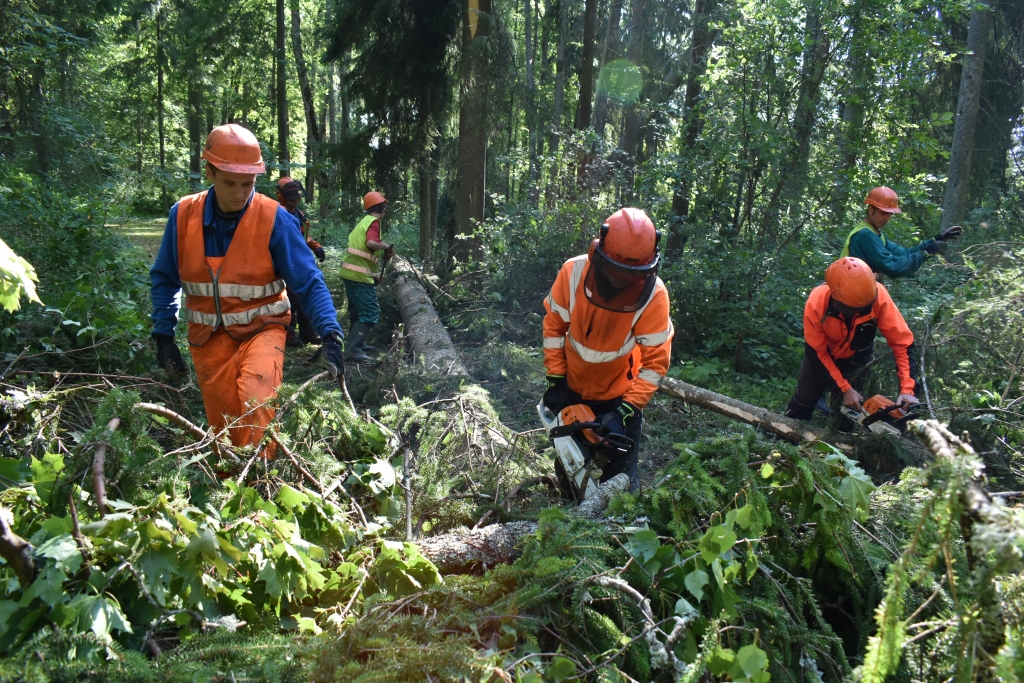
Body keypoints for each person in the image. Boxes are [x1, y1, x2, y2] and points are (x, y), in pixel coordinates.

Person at [150, 124, 345, 452]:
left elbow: (309, 280)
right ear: (210, 172)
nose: (240, 194)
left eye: (248, 183)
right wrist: (163, 336)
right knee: (225, 432)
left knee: (256, 404)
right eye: (230, 183)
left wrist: (330, 333)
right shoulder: (182, 216)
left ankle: (263, 478)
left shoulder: (275, 218)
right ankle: (233, 482)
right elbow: (165, 278)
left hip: (263, 330)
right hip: (208, 340)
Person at [541, 208, 673, 492]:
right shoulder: (573, 273)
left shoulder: (654, 295)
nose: (619, 280)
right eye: (615, 271)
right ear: (596, 252)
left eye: (629, 275)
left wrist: (626, 410)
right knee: (571, 474)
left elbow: (655, 364)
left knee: (621, 486)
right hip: (572, 389)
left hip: (619, 397)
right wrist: (555, 379)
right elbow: (554, 328)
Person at [785, 256, 919, 421]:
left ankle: (841, 433)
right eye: (853, 309)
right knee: (805, 397)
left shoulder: (879, 296)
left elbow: (902, 342)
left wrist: (908, 390)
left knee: (850, 409)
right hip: (823, 354)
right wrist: (844, 388)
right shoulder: (817, 302)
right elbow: (818, 353)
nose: (858, 312)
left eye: (863, 308)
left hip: (856, 353)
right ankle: (789, 428)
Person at [842, 186, 963, 280]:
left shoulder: (876, 235)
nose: (887, 218)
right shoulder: (865, 235)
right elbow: (894, 267)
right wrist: (926, 252)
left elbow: (905, 254)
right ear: (870, 209)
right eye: (883, 213)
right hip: (850, 295)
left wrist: (937, 239)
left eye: (890, 214)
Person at [339, 191, 394, 362]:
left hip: (351, 272)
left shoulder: (364, 222)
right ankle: (353, 350)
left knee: (357, 311)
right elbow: (371, 243)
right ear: (382, 208)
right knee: (371, 311)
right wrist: (386, 246)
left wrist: (374, 275)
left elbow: (363, 252)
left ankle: (356, 344)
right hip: (358, 276)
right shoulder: (374, 222)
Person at [275, 177, 326, 347]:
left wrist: (316, 247)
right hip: (286, 262)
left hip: (300, 262)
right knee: (289, 300)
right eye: (291, 195)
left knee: (304, 296)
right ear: (281, 195)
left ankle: (307, 332)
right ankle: (288, 334)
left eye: (296, 194)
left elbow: (305, 236)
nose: (295, 198)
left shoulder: (299, 214)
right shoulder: (278, 214)